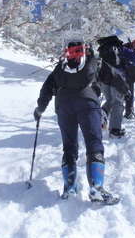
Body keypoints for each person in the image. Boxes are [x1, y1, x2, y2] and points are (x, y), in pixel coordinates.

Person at [33, 39, 119, 205]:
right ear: (87, 49)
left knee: (69, 146)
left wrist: (40, 109)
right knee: (94, 143)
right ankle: (96, 188)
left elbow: (46, 89)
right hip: (88, 103)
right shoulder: (95, 62)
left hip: (63, 106)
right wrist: (127, 92)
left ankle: (70, 187)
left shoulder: (60, 67)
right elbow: (114, 78)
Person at [96, 35, 130, 138]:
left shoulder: (103, 50)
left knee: (110, 100)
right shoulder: (115, 49)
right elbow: (117, 70)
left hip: (103, 80)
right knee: (118, 104)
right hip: (115, 81)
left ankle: (101, 116)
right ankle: (115, 130)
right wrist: (124, 88)